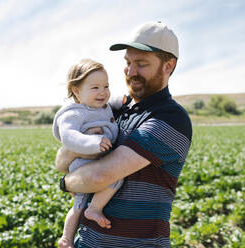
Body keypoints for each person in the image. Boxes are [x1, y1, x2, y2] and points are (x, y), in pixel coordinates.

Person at [56, 21, 193, 247]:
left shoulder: (170, 119)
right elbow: (61, 161)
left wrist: (65, 183)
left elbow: (99, 177)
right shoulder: (113, 109)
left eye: (141, 64)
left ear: (168, 66)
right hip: (87, 241)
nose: (130, 72)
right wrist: (77, 144)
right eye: (128, 62)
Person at [52, 59, 123, 248]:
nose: (103, 92)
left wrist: (123, 100)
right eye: (95, 87)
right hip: (83, 163)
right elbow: (69, 136)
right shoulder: (74, 113)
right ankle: (91, 212)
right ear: (76, 91)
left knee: (78, 205)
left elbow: (112, 107)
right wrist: (93, 142)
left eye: (106, 86)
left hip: (94, 161)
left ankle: (68, 237)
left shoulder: (101, 107)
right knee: (115, 179)